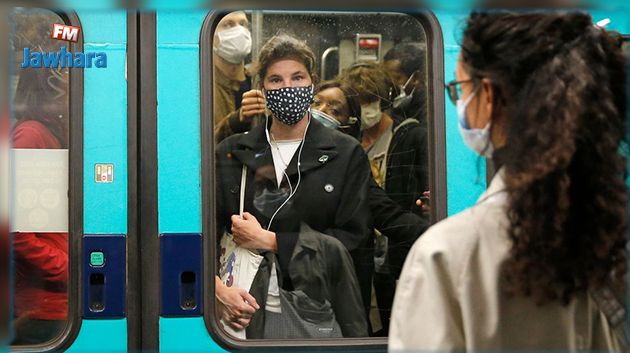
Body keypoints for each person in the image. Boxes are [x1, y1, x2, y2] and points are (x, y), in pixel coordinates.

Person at [389, 11, 627, 351]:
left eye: (460, 90)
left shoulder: (448, 255)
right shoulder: (612, 230)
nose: (460, 104)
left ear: (487, 97)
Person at [214, 34, 372, 338]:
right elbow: (205, 233)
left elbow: (353, 240)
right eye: (275, 79)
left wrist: (273, 242)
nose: (287, 88)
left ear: (312, 83)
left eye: (297, 77)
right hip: (244, 310)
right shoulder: (233, 151)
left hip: (316, 310)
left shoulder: (345, 152)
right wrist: (217, 292)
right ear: (262, 89)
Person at [340, 62, 429, 334]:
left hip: (400, 248)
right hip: (364, 252)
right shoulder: (348, 142)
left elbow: (426, 187)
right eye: (360, 101)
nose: (366, 108)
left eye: (371, 100)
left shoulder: (412, 137)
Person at [11, 67, 69, 345]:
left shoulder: (51, 133)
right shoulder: (31, 135)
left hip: (59, 301)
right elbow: (14, 229)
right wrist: (66, 267)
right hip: (44, 306)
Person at [212, 11, 257, 143]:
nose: (239, 30)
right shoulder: (202, 85)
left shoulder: (259, 81)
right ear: (211, 36)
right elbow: (201, 145)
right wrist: (236, 121)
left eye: (243, 24)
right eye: (228, 25)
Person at [383, 42, 427, 125]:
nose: (391, 86)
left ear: (416, 78)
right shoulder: (393, 107)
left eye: (396, 78)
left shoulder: (428, 111)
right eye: (387, 80)